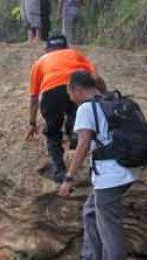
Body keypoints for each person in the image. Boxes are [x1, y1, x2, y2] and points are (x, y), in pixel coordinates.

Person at [58, 70, 135, 260]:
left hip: (110, 175)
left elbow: (82, 146)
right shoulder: (110, 99)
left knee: (109, 226)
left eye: (70, 93)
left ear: (76, 89)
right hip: (125, 171)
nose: (70, 98)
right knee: (91, 211)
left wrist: (68, 179)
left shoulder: (85, 108)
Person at [26, 34, 98, 183]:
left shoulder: (40, 62)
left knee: (53, 132)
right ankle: (75, 153)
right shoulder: (75, 54)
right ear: (66, 47)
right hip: (75, 89)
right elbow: (95, 77)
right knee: (77, 124)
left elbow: (34, 98)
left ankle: (59, 171)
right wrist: (103, 96)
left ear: (47, 49)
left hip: (50, 92)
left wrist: (32, 123)